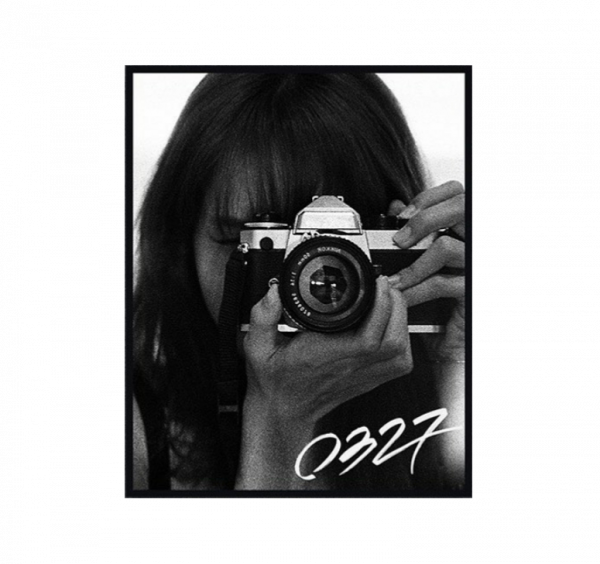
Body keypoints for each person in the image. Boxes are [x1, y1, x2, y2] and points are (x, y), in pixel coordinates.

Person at [133, 73, 466, 491]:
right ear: (182, 244)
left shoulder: (447, 394)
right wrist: (278, 421)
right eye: (256, 244)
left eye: (340, 247)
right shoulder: (139, 430)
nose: (310, 280)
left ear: (400, 238)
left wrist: (456, 370)